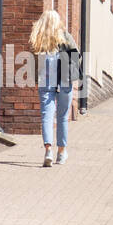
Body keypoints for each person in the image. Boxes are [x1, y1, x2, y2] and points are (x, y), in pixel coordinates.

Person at [29, 10, 78, 167]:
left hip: (45, 81)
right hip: (64, 80)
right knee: (63, 116)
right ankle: (61, 153)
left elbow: (32, 63)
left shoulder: (38, 39)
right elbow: (77, 56)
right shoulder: (65, 36)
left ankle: (48, 150)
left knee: (47, 116)